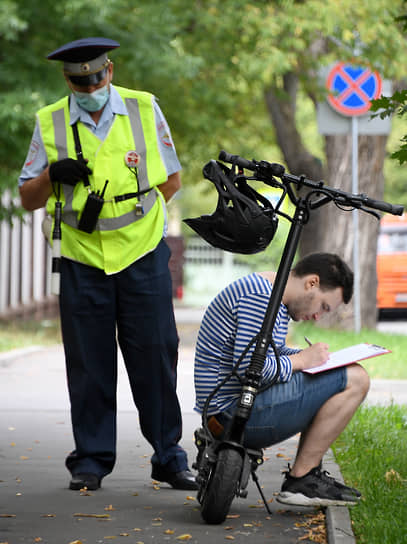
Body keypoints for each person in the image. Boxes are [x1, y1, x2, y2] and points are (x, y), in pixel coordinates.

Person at [18, 37, 197, 491]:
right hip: (81, 258)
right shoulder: (50, 120)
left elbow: (171, 179)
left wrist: (138, 220)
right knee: (88, 362)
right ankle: (91, 461)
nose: (90, 87)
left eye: (96, 77)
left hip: (141, 253)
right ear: (67, 80)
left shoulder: (143, 108)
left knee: (156, 354)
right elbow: (27, 198)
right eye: (80, 81)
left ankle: (169, 456)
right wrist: (51, 176)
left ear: (110, 71)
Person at [194, 252, 369, 506]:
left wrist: (304, 356)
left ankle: (307, 476)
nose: (319, 316)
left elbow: (263, 355)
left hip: (227, 410)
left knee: (340, 373)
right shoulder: (261, 297)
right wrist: (302, 361)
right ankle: (303, 479)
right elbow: (249, 369)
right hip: (231, 414)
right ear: (312, 283)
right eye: (323, 306)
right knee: (357, 378)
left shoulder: (271, 295)